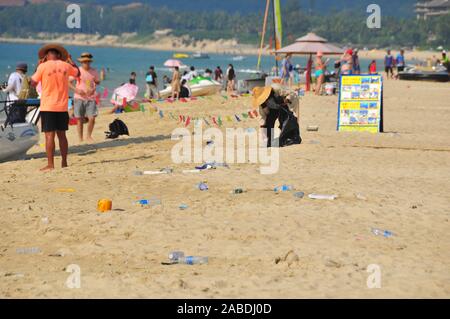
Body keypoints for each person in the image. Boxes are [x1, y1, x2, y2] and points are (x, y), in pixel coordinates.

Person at [31, 44, 80, 171]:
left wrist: (38, 66)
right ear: (58, 55)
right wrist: (70, 61)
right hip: (62, 106)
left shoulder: (43, 66)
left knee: (49, 136)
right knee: (62, 135)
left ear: (47, 56)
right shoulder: (66, 65)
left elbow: (33, 83)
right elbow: (78, 73)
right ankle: (64, 162)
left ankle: (50, 164)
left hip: (48, 106)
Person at [69, 52, 100, 143]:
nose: (86, 63)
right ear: (81, 62)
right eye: (84, 62)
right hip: (79, 98)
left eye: (88, 61)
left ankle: (89, 136)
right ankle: (80, 138)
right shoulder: (77, 71)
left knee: (92, 118)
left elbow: (96, 82)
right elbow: (68, 82)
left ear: (90, 62)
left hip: (91, 98)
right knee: (80, 119)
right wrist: (76, 90)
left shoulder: (94, 71)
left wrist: (93, 89)